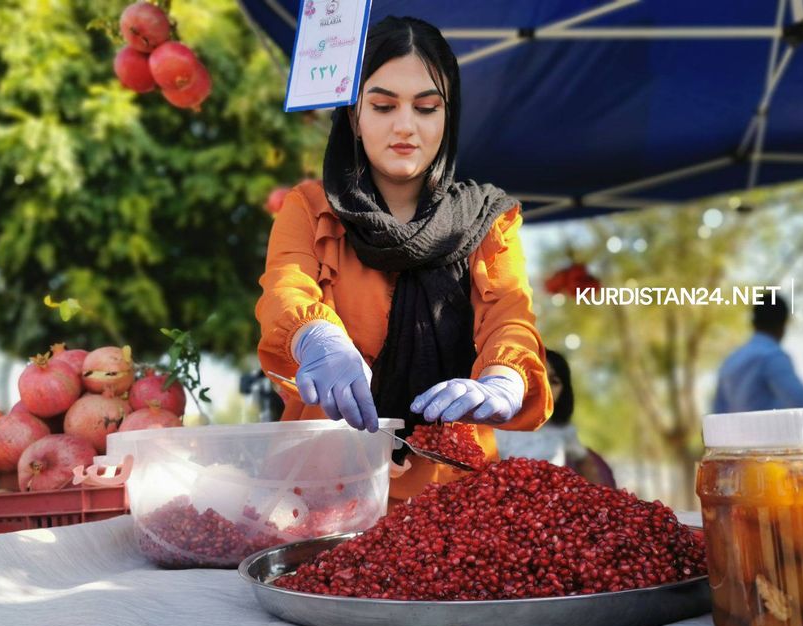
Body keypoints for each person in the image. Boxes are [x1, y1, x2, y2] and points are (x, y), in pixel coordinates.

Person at [256, 16, 552, 501]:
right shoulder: (310, 209)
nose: (405, 126)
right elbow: (285, 291)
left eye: (427, 107)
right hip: (325, 492)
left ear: (448, 117)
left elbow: (509, 317)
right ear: (354, 116)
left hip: (455, 494)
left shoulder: (489, 219)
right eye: (383, 105)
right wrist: (316, 336)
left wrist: (504, 376)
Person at [494, 350, 616, 488]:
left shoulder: (562, 429)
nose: (544, 387)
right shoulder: (497, 424)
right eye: (537, 378)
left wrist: (596, 492)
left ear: (564, 390)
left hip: (553, 497)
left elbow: (584, 460)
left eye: (553, 381)